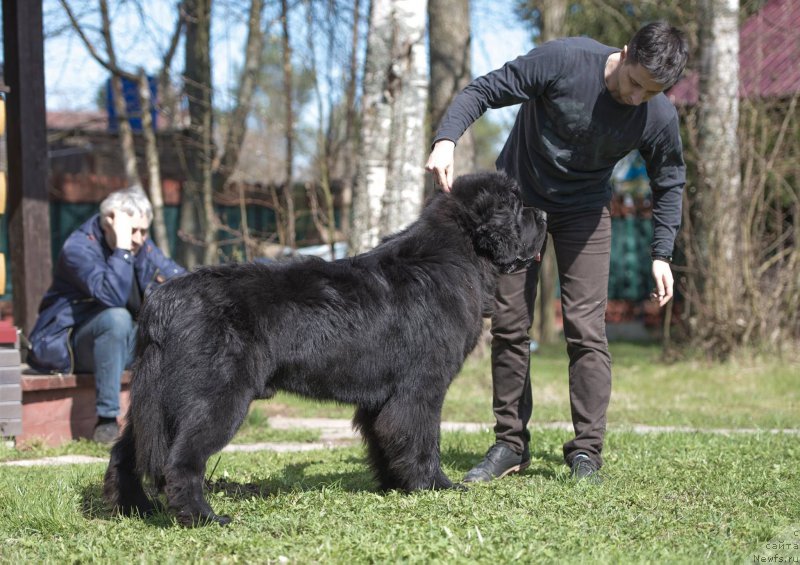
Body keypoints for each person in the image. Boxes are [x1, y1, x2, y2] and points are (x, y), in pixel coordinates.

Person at [426, 22, 688, 482]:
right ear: (625, 53)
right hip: (518, 203)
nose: (636, 98)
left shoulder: (657, 115)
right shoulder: (564, 61)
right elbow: (484, 90)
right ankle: (510, 444)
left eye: (651, 93)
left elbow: (670, 180)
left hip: (584, 213)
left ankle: (586, 452)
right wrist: (446, 138)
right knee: (509, 324)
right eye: (634, 83)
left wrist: (661, 253)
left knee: (587, 332)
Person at [27, 187, 185, 444]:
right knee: (116, 318)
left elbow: (178, 278)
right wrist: (121, 249)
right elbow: (111, 296)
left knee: (169, 328)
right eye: (132, 230)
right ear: (110, 220)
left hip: (120, 344)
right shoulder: (78, 248)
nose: (139, 239)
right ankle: (107, 421)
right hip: (72, 345)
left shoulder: (141, 246)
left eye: (143, 231)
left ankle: (170, 426)